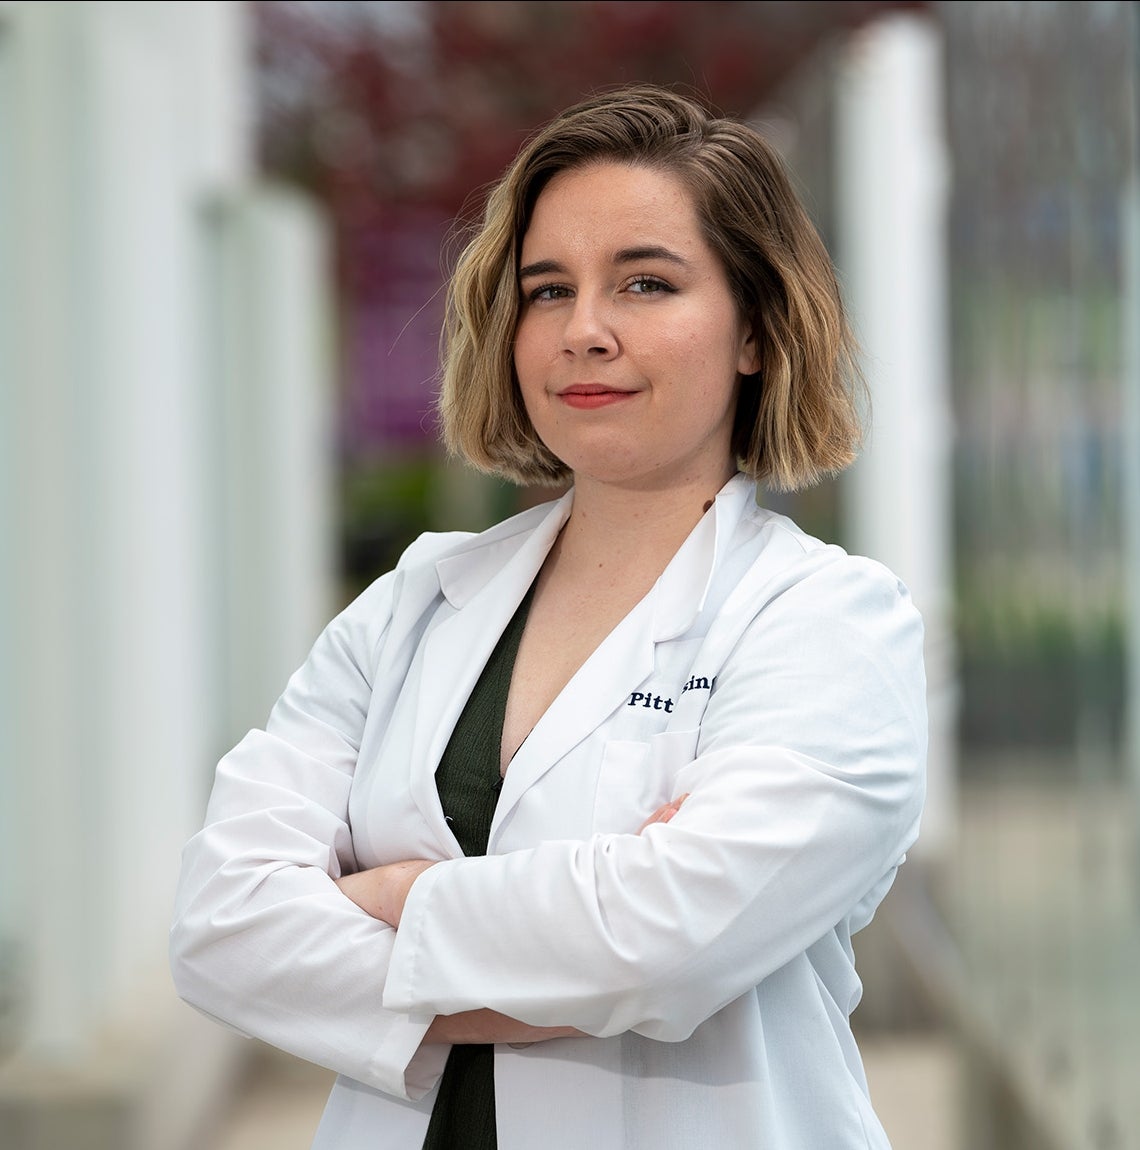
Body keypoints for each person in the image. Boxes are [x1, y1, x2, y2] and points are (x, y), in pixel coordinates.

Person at [170, 84, 927, 1150]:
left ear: (756, 329)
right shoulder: (412, 608)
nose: (584, 332)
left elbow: (668, 938)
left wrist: (393, 896)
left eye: (646, 283)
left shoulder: (829, 625)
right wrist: (583, 941)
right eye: (546, 289)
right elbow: (222, 926)